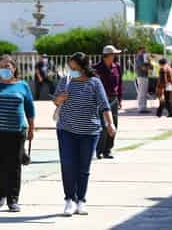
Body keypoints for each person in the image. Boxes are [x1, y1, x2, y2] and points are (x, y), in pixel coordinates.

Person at [54, 52, 115, 216]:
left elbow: (104, 105)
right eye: (70, 67)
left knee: (83, 167)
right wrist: (60, 98)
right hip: (66, 130)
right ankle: (69, 200)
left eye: (74, 67)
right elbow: (56, 101)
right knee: (68, 165)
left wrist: (110, 123)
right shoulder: (65, 81)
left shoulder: (94, 83)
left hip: (89, 132)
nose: (71, 70)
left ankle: (81, 200)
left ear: (82, 67)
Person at [0, 55, 35, 212]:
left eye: (7, 66)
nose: (4, 69)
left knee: (14, 165)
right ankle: (1, 194)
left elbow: (30, 109)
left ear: (14, 68)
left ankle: (13, 199)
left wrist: (31, 128)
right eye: (1, 66)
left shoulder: (23, 86)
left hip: (17, 133)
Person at [93, 45, 122, 159]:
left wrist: (120, 98)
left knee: (114, 124)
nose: (115, 56)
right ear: (107, 56)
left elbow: (120, 84)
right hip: (101, 100)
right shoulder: (96, 68)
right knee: (103, 126)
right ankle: (99, 150)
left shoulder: (117, 67)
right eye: (113, 54)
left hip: (113, 99)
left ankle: (108, 150)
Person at [135, 46, 152, 113]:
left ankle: (143, 107)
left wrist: (149, 62)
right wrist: (148, 66)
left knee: (144, 92)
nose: (144, 52)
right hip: (141, 76)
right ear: (139, 51)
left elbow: (150, 67)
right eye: (143, 51)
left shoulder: (144, 58)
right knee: (142, 92)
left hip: (144, 76)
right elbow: (143, 68)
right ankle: (141, 107)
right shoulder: (139, 57)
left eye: (145, 51)